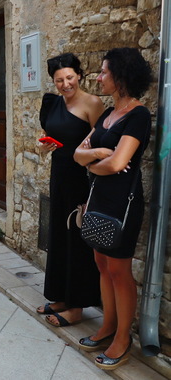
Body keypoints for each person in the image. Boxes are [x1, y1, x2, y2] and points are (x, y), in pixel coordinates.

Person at [74, 48, 152, 371]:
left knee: (120, 271)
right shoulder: (107, 114)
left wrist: (96, 161)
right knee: (101, 264)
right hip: (99, 199)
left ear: (120, 77)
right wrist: (101, 153)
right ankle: (107, 326)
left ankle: (123, 337)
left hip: (123, 203)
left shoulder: (139, 115)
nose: (98, 77)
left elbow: (121, 163)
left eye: (104, 72)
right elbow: (78, 154)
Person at [36, 53, 104, 328]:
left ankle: (76, 307)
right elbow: (43, 141)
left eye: (70, 78)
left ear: (80, 75)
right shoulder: (51, 103)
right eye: (59, 80)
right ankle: (61, 297)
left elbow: (101, 148)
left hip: (82, 181)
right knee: (59, 236)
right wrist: (40, 149)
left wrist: (93, 193)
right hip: (59, 176)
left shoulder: (93, 103)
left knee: (77, 241)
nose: (65, 84)